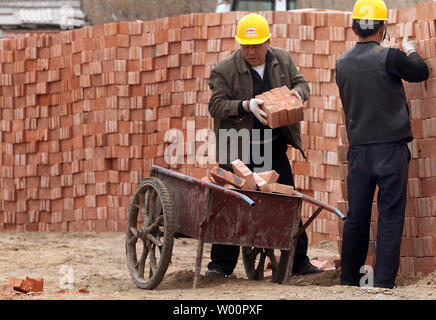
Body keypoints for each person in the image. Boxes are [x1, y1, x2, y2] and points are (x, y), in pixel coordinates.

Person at [206, 13, 323, 278]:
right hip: (238, 148)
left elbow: (302, 83)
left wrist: (296, 95)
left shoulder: (282, 60)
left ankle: (298, 260)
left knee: (287, 199)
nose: (251, 51)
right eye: (245, 46)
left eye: (256, 45)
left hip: (272, 146)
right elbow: (215, 106)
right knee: (230, 203)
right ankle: (221, 264)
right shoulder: (224, 70)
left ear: (268, 41)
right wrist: (245, 105)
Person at [335, 0, 429, 289]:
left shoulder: (342, 63)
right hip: (390, 151)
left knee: (357, 218)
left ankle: (349, 280)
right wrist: (410, 49)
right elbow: (419, 71)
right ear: (383, 27)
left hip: (360, 151)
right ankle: (383, 281)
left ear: (354, 27)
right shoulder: (389, 56)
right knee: (390, 218)